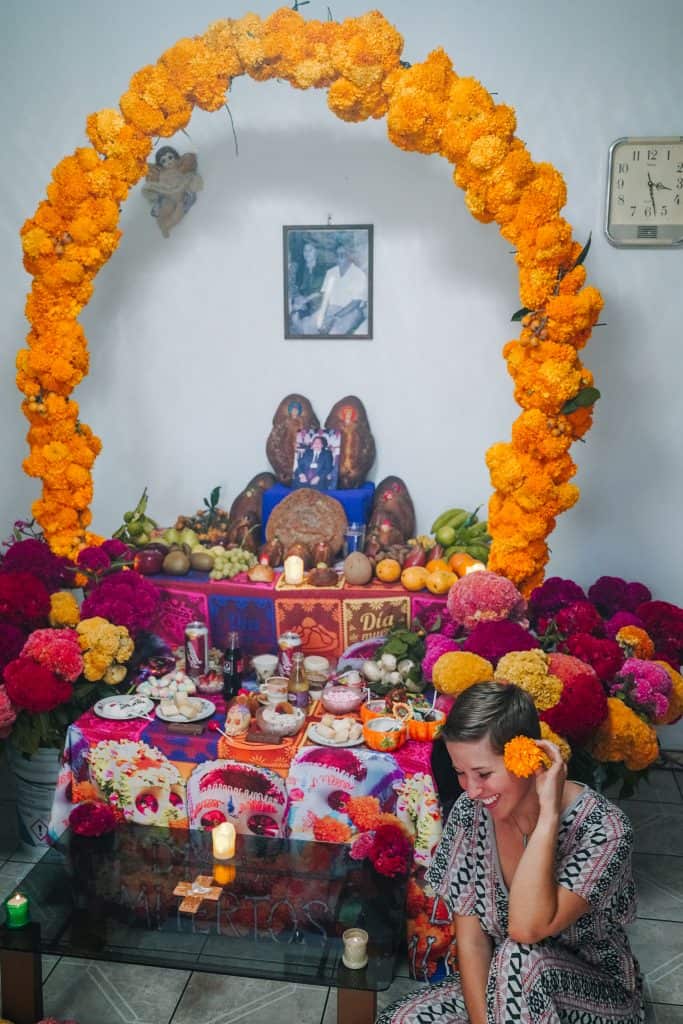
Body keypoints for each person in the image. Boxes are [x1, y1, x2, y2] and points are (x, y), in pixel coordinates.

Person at [377, 682, 645, 1024]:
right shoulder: (469, 813)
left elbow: (526, 928)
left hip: (596, 996)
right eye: (461, 773)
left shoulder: (604, 830)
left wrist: (548, 816)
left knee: (520, 957)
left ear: (527, 758)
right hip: (501, 987)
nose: (472, 790)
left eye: (484, 773)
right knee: (402, 1020)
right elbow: (472, 942)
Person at [142, 146, 203, 238]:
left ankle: (168, 225)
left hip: (180, 195)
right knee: (165, 209)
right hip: (168, 196)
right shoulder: (162, 173)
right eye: (164, 161)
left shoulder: (181, 169)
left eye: (170, 157)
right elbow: (158, 183)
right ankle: (162, 225)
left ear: (176, 157)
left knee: (179, 210)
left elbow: (190, 175)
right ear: (160, 165)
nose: (168, 162)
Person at [316, 241, 368, 335]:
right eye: (338, 254)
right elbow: (326, 298)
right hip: (331, 309)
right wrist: (323, 314)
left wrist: (334, 317)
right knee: (310, 326)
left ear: (350, 256)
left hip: (351, 312)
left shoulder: (359, 274)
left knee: (334, 333)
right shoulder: (330, 272)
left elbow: (356, 303)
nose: (340, 256)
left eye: (343, 254)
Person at [289, 241, 327, 334]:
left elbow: (320, 291)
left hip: (315, 301)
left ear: (316, 252)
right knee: (295, 319)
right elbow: (295, 286)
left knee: (306, 324)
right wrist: (297, 297)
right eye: (305, 250)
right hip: (302, 302)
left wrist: (305, 300)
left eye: (310, 250)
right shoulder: (300, 268)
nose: (307, 253)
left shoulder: (322, 269)